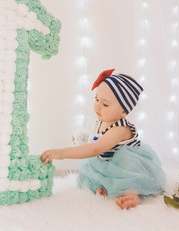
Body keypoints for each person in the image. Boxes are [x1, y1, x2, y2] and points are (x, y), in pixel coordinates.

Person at [40, 69, 166, 209]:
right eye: (96, 99)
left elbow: (95, 148)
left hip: (125, 165)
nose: (98, 106)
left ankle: (132, 195)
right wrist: (83, 138)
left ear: (123, 111)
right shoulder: (102, 120)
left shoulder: (120, 129)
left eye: (105, 104)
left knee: (127, 169)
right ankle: (108, 187)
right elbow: (95, 140)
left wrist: (62, 153)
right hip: (108, 162)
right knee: (96, 169)